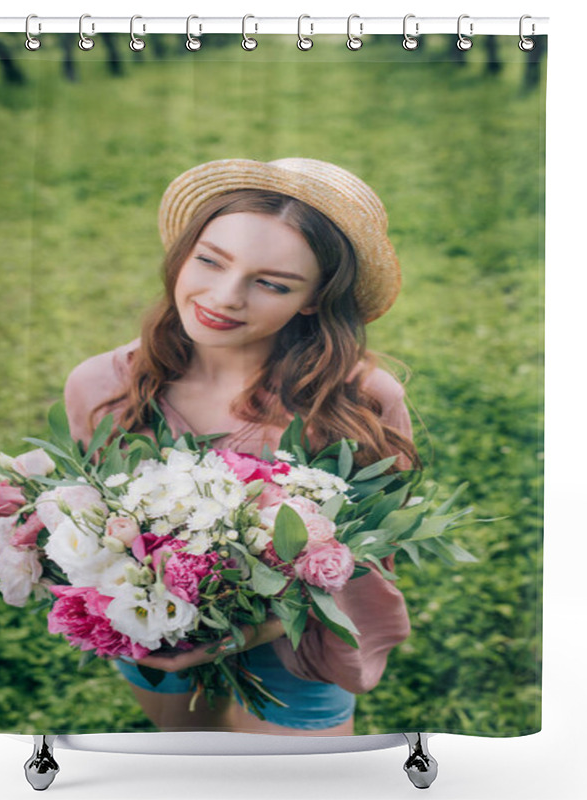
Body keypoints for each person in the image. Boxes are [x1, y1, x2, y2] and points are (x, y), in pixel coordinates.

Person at [63, 158, 421, 736]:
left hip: (300, 642)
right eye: (210, 260)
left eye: (272, 283)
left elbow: (373, 548)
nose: (225, 297)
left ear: (313, 299)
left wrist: (247, 631)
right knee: (191, 753)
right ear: (184, 251)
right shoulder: (103, 389)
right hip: (159, 636)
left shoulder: (359, 401)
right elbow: (90, 522)